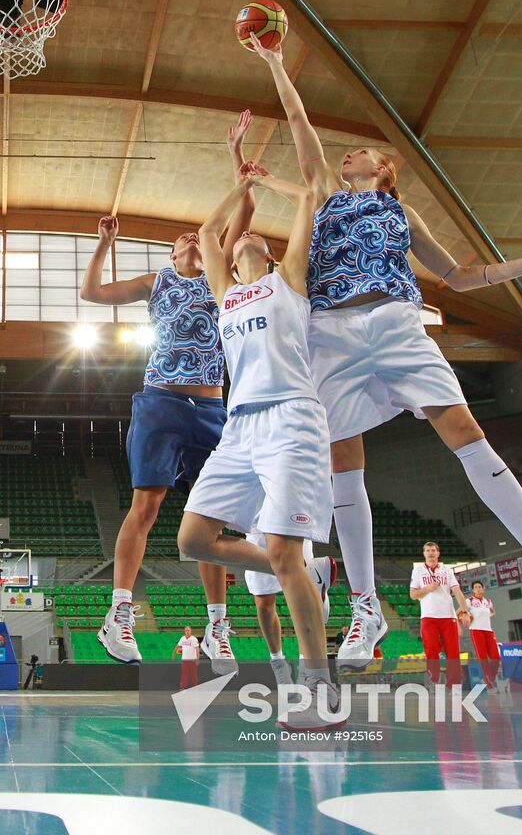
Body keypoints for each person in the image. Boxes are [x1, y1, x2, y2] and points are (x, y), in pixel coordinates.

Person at [248, 31, 522, 666]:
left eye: (359, 151)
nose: (347, 156)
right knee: (345, 461)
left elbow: (459, 277)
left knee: (465, 431)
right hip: (333, 334)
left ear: (383, 167)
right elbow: (297, 119)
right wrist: (273, 62)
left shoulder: (403, 214)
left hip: (400, 325)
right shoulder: (319, 196)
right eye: (342, 153)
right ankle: (365, 609)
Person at [81, 112, 256, 668]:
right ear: (172, 255)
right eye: (178, 239)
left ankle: (218, 625)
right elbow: (92, 293)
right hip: (160, 399)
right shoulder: (156, 282)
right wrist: (104, 243)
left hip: (211, 406)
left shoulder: (220, 276)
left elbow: (244, 211)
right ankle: (119, 615)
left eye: (194, 237)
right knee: (147, 504)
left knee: (212, 515)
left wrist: (237, 156)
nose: (186, 238)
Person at [176, 165, 342, 729]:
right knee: (193, 540)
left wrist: (271, 182)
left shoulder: (288, 281)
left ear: (269, 254)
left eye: (253, 235)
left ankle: (320, 688)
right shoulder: (227, 293)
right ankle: (293, 565)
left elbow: (311, 200)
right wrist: (241, 185)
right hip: (239, 427)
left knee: (283, 555)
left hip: (291, 419)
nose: (243, 236)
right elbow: (204, 236)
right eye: (240, 234)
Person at [244, 529, 335, 689]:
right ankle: (278, 662)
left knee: (302, 598)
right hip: (259, 529)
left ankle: (305, 664)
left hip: (293, 524)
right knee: (264, 606)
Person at [410, 542, 468, 686]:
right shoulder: (418, 571)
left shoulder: (447, 570)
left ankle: (453, 683)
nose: (431, 553)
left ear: (438, 553)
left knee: (453, 651)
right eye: (428, 551)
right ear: (424, 554)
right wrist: (428, 588)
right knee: (431, 649)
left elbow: (457, 591)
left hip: (448, 616)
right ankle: (434, 678)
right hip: (429, 616)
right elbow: (413, 595)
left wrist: (465, 611)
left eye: (433, 550)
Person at [465, 579, 503, 691]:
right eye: (475, 587)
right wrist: (466, 616)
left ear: (483, 589)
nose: (478, 588)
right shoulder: (469, 601)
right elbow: (459, 612)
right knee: (483, 658)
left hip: (488, 630)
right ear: (473, 590)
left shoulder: (488, 601)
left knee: (496, 657)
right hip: (476, 630)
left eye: (480, 587)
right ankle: (490, 684)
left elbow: (493, 611)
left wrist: (486, 617)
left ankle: (489, 678)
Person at [172, 624, 199, 689]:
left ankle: (194, 686)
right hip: (184, 659)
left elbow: (197, 649)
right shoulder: (182, 638)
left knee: (193, 674)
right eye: (186, 630)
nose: (187, 631)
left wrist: (197, 659)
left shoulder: (194, 639)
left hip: (192, 659)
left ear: (191, 631)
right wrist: (173, 654)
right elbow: (177, 646)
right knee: (184, 674)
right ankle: (183, 686)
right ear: (184, 631)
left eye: (188, 630)